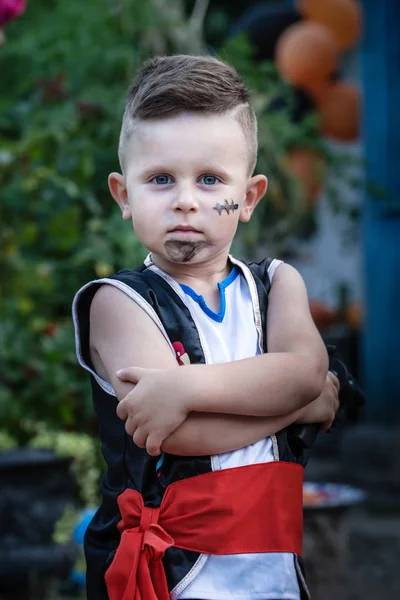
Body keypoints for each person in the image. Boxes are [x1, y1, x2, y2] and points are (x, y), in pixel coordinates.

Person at [72, 55, 339, 600]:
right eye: (161, 179)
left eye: (211, 179)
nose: (186, 199)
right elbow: (181, 437)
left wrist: (185, 386)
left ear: (248, 197)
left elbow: (307, 371)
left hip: (274, 567)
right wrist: (299, 403)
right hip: (172, 575)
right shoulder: (119, 304)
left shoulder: (277, 286)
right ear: (125, 196)